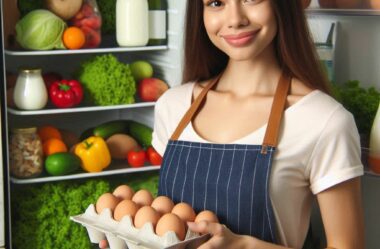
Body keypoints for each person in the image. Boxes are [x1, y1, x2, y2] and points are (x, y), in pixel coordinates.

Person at [101, 0, 365, 248]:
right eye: (216, 3)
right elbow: (170, 221)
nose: (235, 19)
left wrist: (244, 245)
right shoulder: (174, 106)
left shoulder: (322, 120)